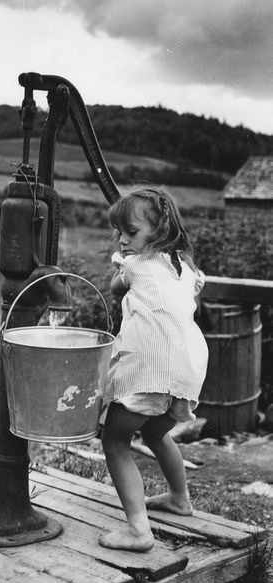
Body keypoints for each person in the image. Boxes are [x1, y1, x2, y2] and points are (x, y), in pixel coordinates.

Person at [99, 185, 208, 552]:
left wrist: (121, 266)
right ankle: (180, 498)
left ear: (159, 231)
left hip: (151, 366)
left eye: (131, 233)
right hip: (188, 368)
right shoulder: (186, 267)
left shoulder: (135, 264)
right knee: (157, 434)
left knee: (114, 440)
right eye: (120, 233)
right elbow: (186, 298)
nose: (123, 240)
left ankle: (138, 531)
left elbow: (116, 289)